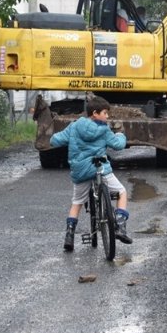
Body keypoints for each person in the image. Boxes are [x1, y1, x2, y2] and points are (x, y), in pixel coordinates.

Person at [50, 96, 133, 251]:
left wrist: (55, 137)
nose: (107, 116)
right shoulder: (104, 130)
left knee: (77, 203)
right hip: (100, 168)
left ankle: (69, 235)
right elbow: (118, 145)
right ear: (95, 113)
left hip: (80, 171)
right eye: (105, 113)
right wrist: (121, 134)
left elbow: (55, 141)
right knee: (121, 192)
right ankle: (120, 226)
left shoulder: (74, 126)